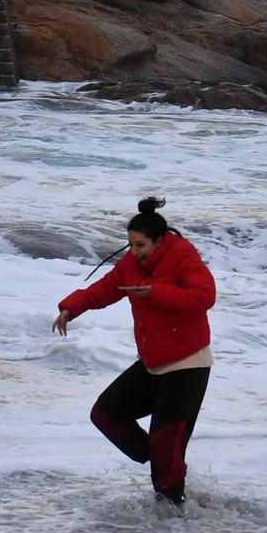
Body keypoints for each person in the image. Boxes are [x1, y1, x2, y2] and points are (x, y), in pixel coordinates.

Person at [53, 197, 216, 507]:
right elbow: (105, 288)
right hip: (153, 362)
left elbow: (204, 296)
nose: (134, 251)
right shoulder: (132, 263)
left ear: (159, 240)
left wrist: (156, 292)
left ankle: (172, 519)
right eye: (130, 244)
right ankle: (162, 462)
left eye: (140, 245)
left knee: (167, 447)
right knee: (106, 414)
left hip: (187, 364)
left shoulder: (183, 257)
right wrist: (69, 308)